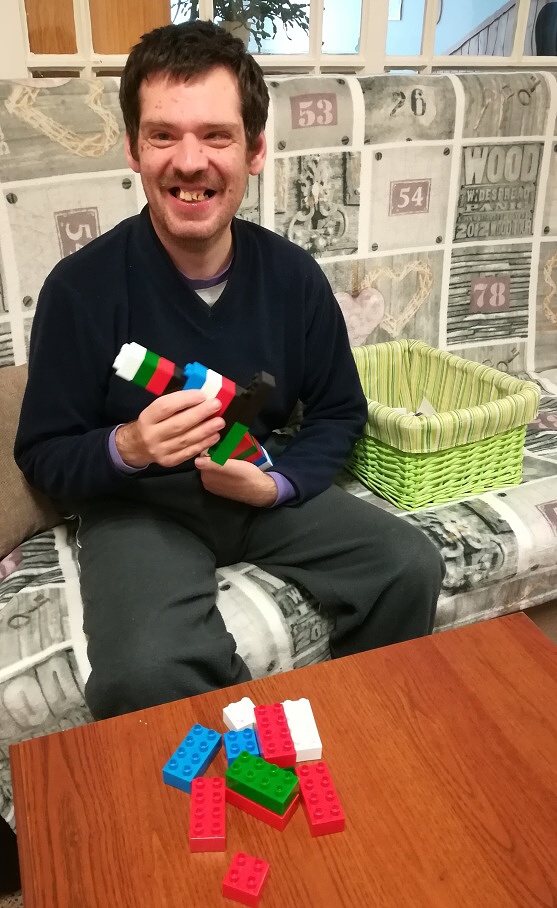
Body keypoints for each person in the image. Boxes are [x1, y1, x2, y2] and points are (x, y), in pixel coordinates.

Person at [14, 20, 445, 720]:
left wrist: (278, 484)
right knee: (143, 671)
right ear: (133, 149)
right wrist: (127, 447)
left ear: (255, 150)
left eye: (216, 136)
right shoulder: (78, 290)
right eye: (163, 135)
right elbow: (41, 453)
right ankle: (238, 757)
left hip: (256, 483)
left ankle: (363, 728)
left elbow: (339, 411)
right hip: (140, 511)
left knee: (409, 563)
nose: (190, 162)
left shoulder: (293, 277)